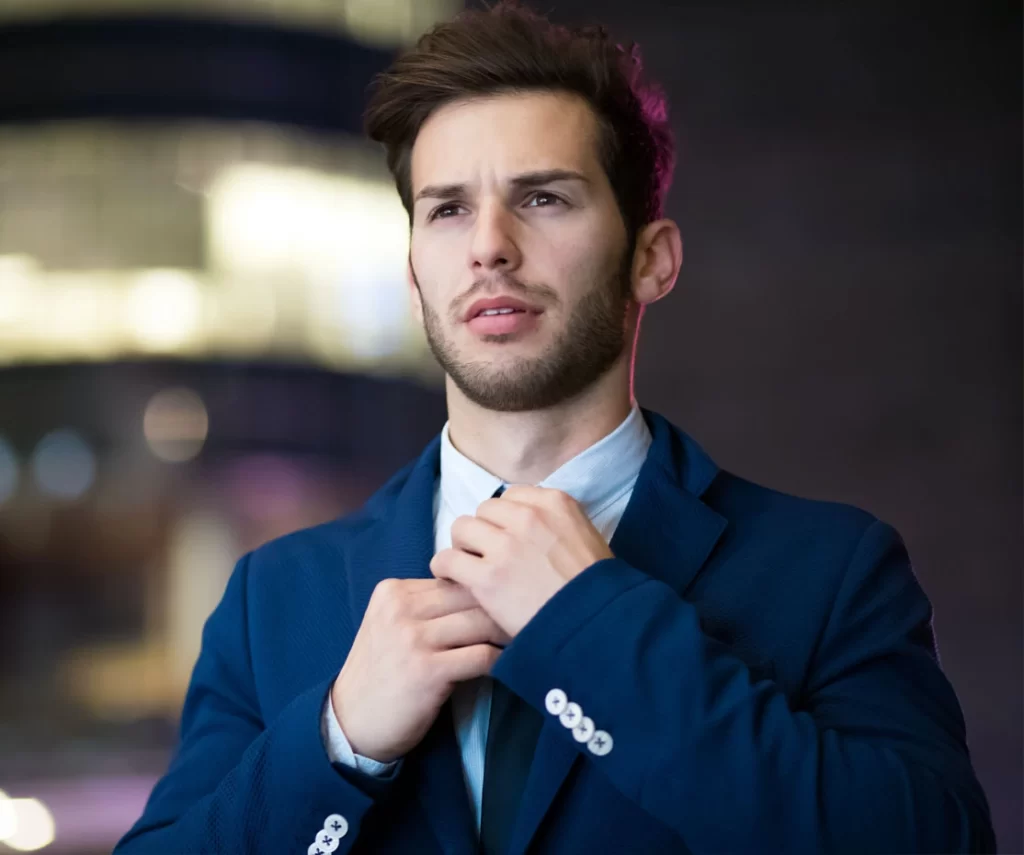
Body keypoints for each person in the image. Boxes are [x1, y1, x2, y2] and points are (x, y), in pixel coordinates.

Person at [115, 3, 996, 853]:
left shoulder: (832, 573)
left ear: (650, 261)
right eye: (448, 208)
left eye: (541, 199)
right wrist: (339, 739)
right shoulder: (271, 602)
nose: (488, 245)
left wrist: (596, 628)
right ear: (416, 275)